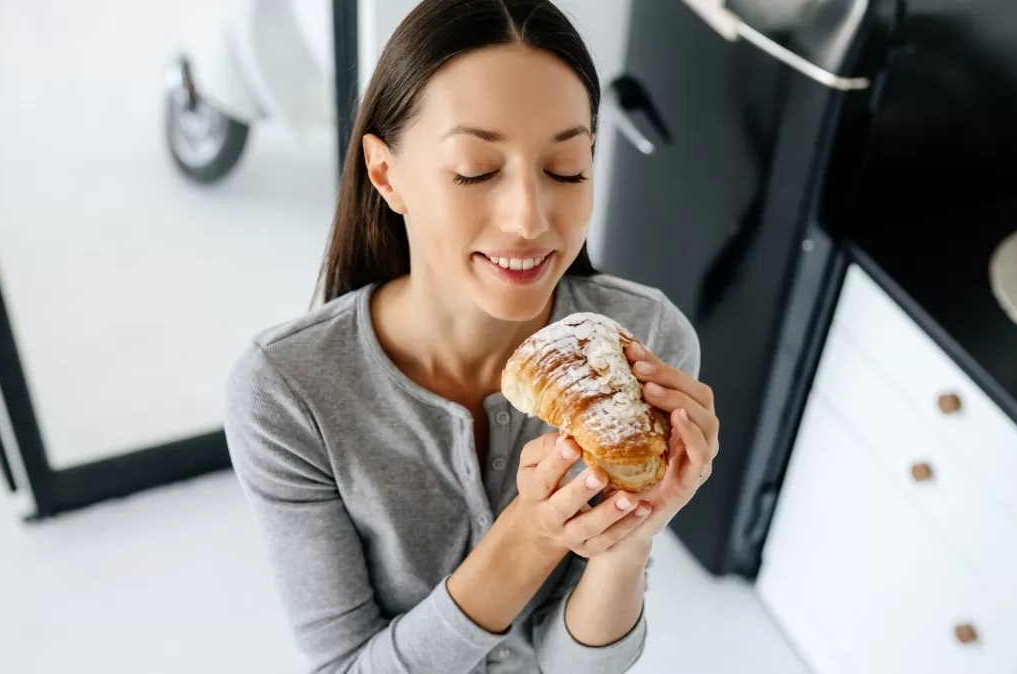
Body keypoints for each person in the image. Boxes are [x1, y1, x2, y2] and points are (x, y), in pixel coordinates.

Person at [223, 1, 720, 672]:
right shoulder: (288, 393)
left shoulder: (648, 343)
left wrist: (630, 540)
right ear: (385, 174)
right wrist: (532, 534)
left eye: (568, 168)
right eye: (476, 170)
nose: (529, 218)